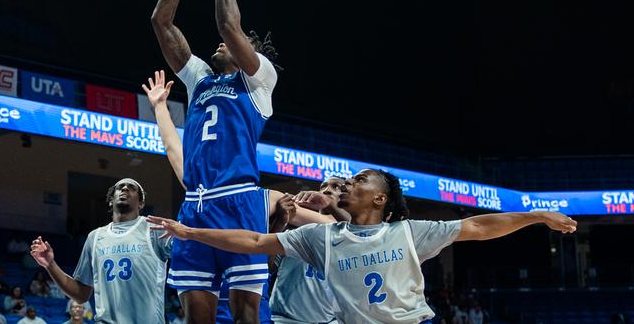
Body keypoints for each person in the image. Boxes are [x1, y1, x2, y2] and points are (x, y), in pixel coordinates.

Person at [149, 168, 578, 324]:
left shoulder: (409, 232)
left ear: (380, 199)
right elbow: (256, 240)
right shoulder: (324, 238)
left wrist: (535, 215)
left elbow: (479, 227)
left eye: (359, 181)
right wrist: (191, 233)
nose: (350, 184)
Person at [151, 0, 280, 324]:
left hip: (239, 201)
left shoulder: (259, 79)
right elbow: (161, 22)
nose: (221, 42)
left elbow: (229, 25)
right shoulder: (201, 79)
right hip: (195, 205)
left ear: (250, 51)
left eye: (236, 44)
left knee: (245, 318)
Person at [142, 71, 336, 324]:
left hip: (261, 307)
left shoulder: (263, 198)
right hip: (204, 258)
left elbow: (330, 226)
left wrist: (333, 207)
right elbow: (174, 151)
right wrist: (160, 108)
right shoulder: (198, 189)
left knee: (247, 314)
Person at [31, 178, 170, 323]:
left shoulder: (155, 230)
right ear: (111, 200)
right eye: (120, 187)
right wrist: (50, 264)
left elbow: (190, 255)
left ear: (141, 203)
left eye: (132, 188)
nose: (125, 189)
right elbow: (81, 294)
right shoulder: (95, 237)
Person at [269, 176, 351, 324]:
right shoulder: (295, 234)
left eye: (337, 187)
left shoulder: (352, 238)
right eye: (323, 186)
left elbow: (360, 233)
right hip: (283, 320)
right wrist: (280, 223)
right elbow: (268, 267)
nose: (327, 190)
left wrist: (331, 206)